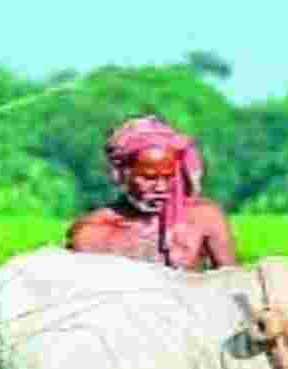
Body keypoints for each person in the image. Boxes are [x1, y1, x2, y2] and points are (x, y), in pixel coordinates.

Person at [67, 115, 239, 270]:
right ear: (122, 175)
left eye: (168, 177)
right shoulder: (92, 233)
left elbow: (231, 282)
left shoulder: (205, 218)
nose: (161, 188)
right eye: (149, 178)